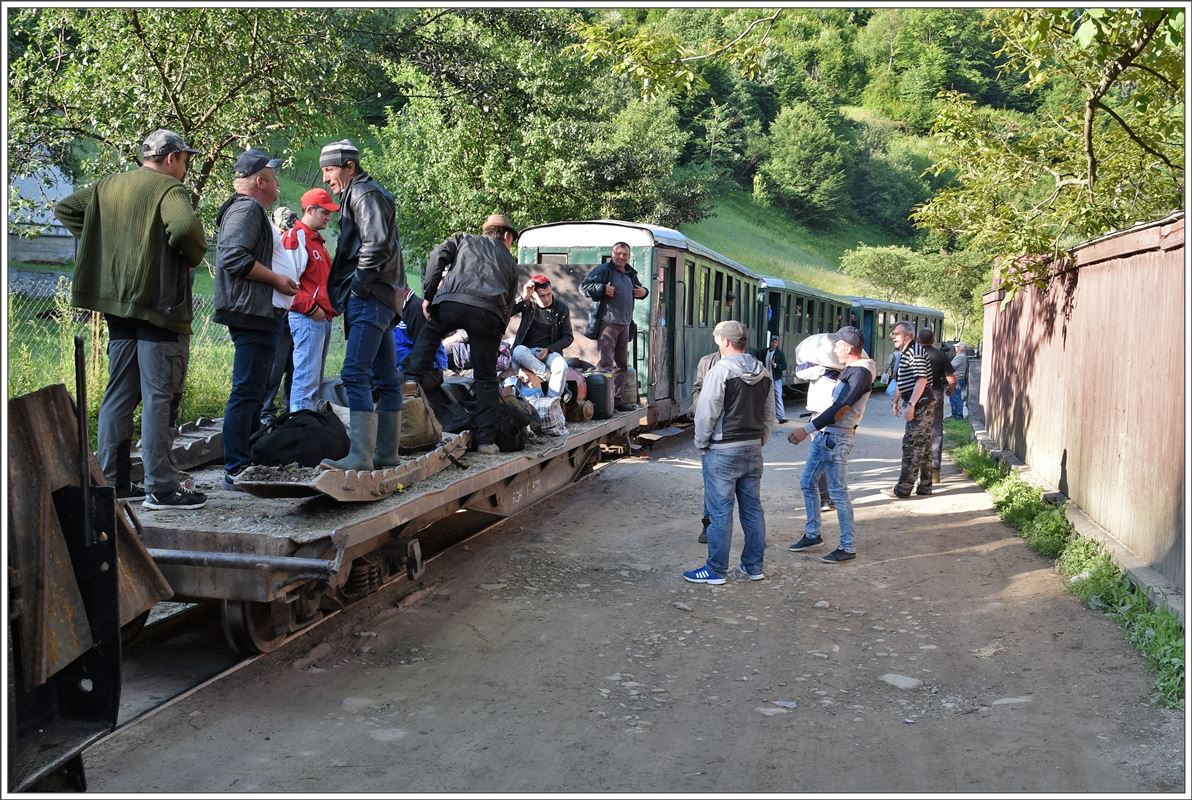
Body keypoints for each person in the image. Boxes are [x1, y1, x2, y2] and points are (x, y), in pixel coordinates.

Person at [55, 128, 209, 510]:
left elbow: (67, 208)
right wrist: (187, 256)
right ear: (171, 158)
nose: (186, 168)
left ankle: (113, 483)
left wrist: (106, 241)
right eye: (185, 160)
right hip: (159, 308)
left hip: (118, 308)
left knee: (119, 395)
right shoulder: (168, 190)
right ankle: (163, 487)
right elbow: (187, 231)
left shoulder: (108, 185)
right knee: (160, 396)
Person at [318, 139, 408, 471]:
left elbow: (377, 245)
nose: (326, 178)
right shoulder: (365, 192)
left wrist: (357, 287)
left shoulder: (363, 193)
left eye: (329, 170)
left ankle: (360, 456)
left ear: (349, 167)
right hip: (383, 298)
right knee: (387, 378)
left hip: (371, 297)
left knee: (354, 372)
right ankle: (386, 454)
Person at [214, 149, 299, 489]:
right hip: (250, 312)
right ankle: (235, 465)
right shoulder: (247, 209)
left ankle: (246, 459)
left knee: (255, 389)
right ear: (260, 182)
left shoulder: (253, 211)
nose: (278, 183)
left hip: (262, 313)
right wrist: (277, 280)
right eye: (274, 177)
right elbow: (233, 256)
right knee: (247, 389)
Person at [403, 213, 521, 455]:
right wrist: (497, 336)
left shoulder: (464, 239)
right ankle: (487, 442)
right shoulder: (510, 263)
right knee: (486, 379)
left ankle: (408, 385)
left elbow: (437, 256)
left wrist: (429, 294)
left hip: (452, 302)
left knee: (429, 339)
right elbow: (508, 304)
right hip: (488, 314)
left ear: (486, 230)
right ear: (507, 236)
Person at [683, 320, 774, 585]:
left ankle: (715, 570)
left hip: (723, 449)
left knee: (721, 512)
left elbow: (706, 411)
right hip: (752, 447)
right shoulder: (763, 371)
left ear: (725, 341)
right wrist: (761, 440)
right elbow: (769, 412)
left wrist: (701, 444)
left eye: (716, 337)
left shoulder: (720, 370)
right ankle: (753, 567)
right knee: (753, 509)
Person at [786, 326, 876, 563]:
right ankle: (813, 534)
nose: (834, 347)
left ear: (847, 348)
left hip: (836, 438)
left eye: (837, 344)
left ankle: (847, 546)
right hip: (828, 436)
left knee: (838, 492)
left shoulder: (859, 374)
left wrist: (806, 430)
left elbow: (839, 409)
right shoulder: (853, 370)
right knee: (807, 482)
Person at [283, 189, 340, 412]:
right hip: (307, 317)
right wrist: (311, 308)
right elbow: (287, 281)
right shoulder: (296, 237)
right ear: (310, 210)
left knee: (313, 381)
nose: (329, 217)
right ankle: (299, 428)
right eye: (325, 212)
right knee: (306, 381)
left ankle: (306, 427)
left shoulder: (316, 241)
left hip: (319, 317)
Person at [580, 241, 649, 412]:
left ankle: (617, 400)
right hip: (608, 323)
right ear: (612, 254)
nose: (621, 257)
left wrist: (644, 292)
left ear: (628, 256)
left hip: (625, 324)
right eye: (618, 253)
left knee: (622, 365)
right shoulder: (604, 270)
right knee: (606, 364)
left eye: (624, 254)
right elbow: (584, 287)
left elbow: (640, 290)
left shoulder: (630, 274)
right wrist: (602, 289)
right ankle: (604, 403)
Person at [882, 321, 934, 499]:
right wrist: (896, 400)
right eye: (893, 333)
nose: (892, 337)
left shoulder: (915, 352)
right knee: (924, 445)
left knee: (911, 446)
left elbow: (921, 380)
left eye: (896, 334)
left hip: (921, 403)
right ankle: (925, 485)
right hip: (919, 402)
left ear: (908, 335)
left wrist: (911, 405)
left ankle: (903, 489)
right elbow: (903, 381)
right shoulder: (905, 353)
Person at [259, 205, 298, 424]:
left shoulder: (292, 242)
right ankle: (265, 409)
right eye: (283, 228)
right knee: (274, 365)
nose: (286, 233)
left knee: (293, 365)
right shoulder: (270, 242)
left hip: (293, 310)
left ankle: (288, 408)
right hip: (276, 310)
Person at [510, 274, 573, 398]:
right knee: (518, 351)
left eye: (549, 294)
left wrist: (549, 349)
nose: (547, 299)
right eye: (542, 296)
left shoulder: (561, 308)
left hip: (549, 352)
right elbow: (506, 312)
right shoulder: (527, 303)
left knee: (561, 365)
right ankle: (548, 376)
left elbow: (568, 337)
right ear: (533, 294)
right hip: (527, 352)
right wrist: (523, 296)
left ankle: (551, 403)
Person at [690, 347, 722, 545]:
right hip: (711, 432)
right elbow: (697, 388)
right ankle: (707, 525)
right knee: (711, 485)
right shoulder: (707, 361)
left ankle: (752, 536)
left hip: (732, 434)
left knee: (746, 494)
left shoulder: (750, 365)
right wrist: (697, 410)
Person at [919, 327, 956, 486]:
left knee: (918, 432)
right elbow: (952, 380)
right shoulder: (941, 355)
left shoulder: (915, 354)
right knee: (936, 432)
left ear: (918, 340)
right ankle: (935, 471)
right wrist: (950, 390)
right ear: (933, 340)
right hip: (936, 395)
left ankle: (918, 472)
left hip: (918, 396)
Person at [754, 334, 788, 424]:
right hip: (765, 378)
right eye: (772, 342)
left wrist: (776, 365)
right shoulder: (764, 352)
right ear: (770, 342)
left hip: (776, 378)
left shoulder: (780, 354)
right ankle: (762, 416)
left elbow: (784, 366)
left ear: (778, 344)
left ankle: (781, 417)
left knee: (777, 396)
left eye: (775, 342)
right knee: (763, 396)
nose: (774, 344)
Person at [950, 342, 969, 419]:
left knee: (956, 397)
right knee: (953, 397)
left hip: (956, 379)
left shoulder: (960, 356)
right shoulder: (961, 355)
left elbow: (951, 367)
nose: (955, 348)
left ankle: (958, 415)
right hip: (956, 378)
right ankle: (955, 414)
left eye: (957, 347)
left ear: (961, 348)